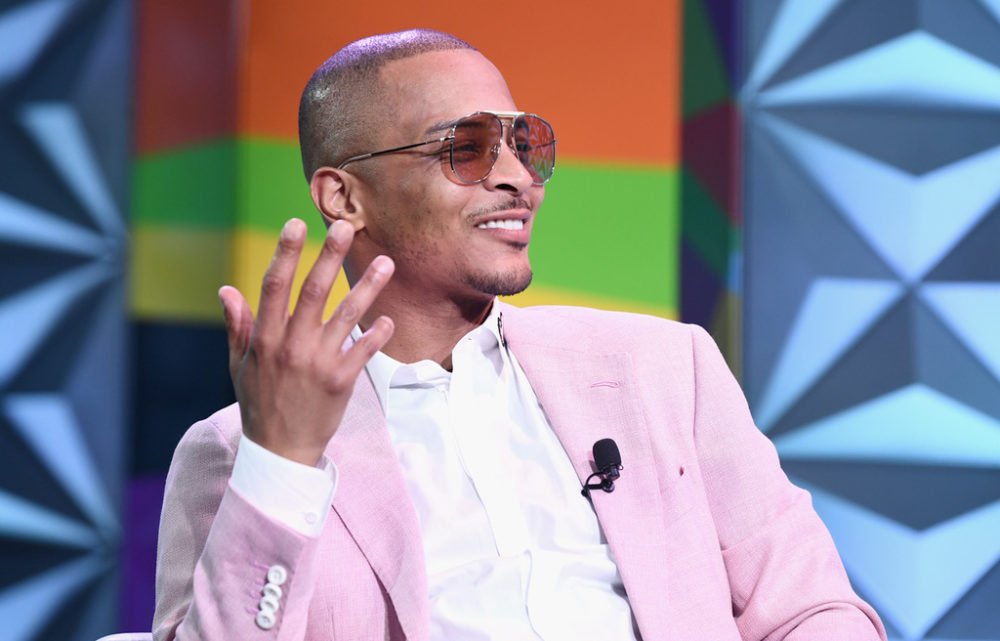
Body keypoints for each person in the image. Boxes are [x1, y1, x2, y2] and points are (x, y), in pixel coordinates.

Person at [153, 28, 886, 641]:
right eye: (465, 149)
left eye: (524, 143)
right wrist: (282, 464)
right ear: (344, 196)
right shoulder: (238, 451)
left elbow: (811, 608)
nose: (519, 179)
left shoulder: (665, 368)